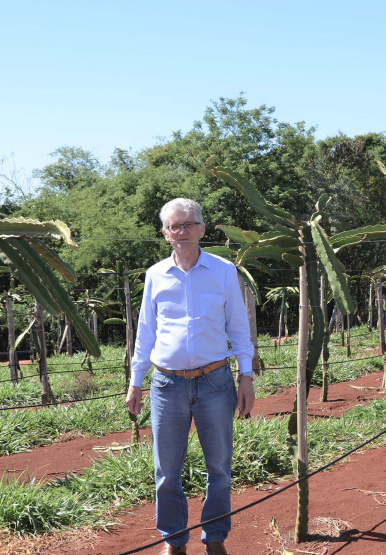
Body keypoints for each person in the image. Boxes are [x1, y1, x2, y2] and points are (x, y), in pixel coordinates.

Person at [126, 198, 255, 555]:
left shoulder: (223, 271)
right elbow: (145, 332)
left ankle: (215, 538)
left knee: (220, 467)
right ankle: (174, 540)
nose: (182, 231)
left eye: (189, 224)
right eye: (175, 226)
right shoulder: (155, 274)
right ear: (165, 233)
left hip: (215, 381)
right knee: (166, 470)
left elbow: (239, 327)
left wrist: (246, 376)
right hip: (166, 384)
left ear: (202, 229)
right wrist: (136, 381)